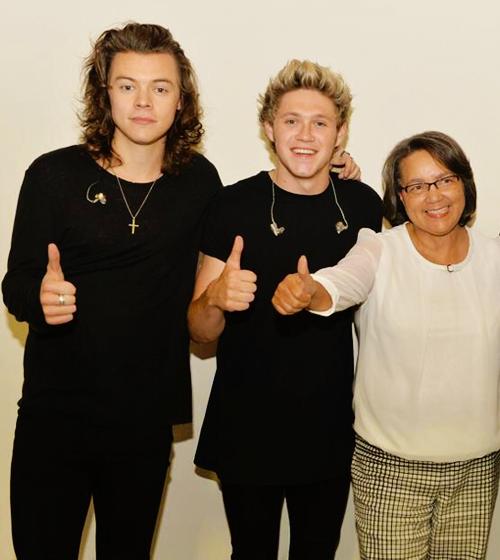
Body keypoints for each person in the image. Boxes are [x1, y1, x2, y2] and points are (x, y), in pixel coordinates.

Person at [2, 22, 224, 560]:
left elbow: (259, 208)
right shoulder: (52, 175)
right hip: (54, 419)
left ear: (180, 100)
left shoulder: (200, 182)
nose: (143, 102)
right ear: (105, 95)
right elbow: (16, 282)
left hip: (144, 424)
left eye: (160, 87)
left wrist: (333, 176)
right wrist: (39, 299)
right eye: (127, 86)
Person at [272, 131, 500, 560]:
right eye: (417, 186)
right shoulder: (378, 249)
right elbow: (342, 282)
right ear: (400, 197)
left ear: (465, 184)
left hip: (476, 469)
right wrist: (311, 291)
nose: (434, 196)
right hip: (390, 469)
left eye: (445, 180)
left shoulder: (494, 257)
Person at [188, 59, 382, 559]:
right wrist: (215, 297)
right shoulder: (231, 206)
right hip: (246, 424)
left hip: (329, 425)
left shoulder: (362, 204)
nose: (305, 135)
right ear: (269, 128)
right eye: (292, 120)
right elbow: (200, 333)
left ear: (340, 134)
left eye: (320, 123)